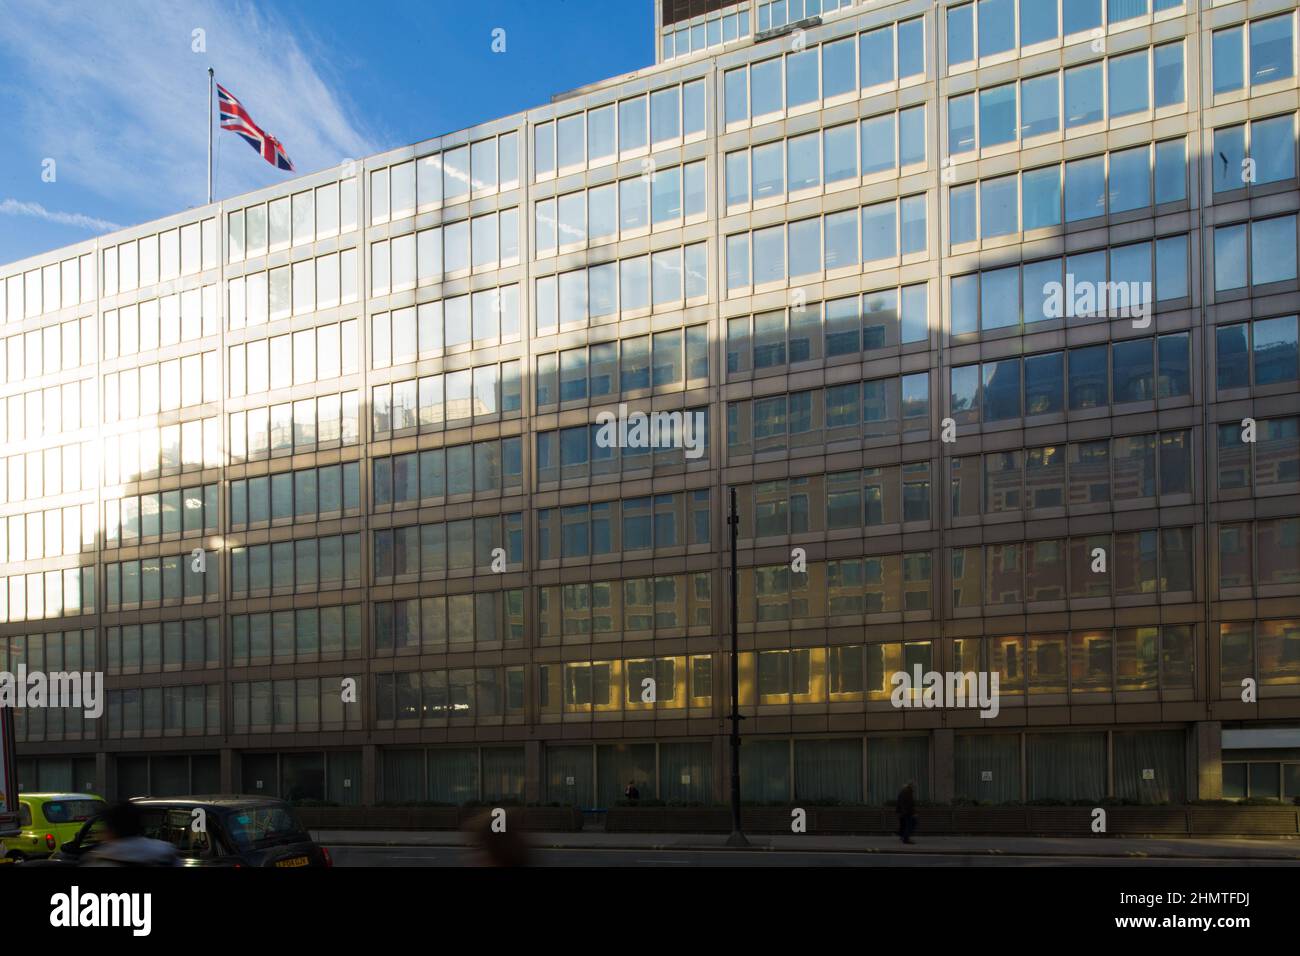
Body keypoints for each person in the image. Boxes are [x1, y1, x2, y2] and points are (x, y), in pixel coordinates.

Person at [80, 801, 180, 866]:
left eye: (103, 828)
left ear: (111, 831)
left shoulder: (99, 861)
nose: (100, 835)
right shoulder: (168, 856)